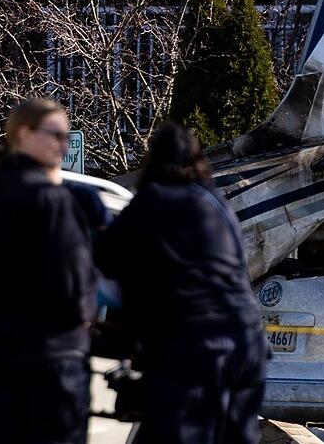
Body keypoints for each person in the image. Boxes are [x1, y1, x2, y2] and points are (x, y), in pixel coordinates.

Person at [96, 122, 267, 444]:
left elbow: (106, 259)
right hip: (248, 343)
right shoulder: (216, 203)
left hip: (195, 346)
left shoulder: (153, 200)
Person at [0, 98, 96, 444]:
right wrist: (84, 318)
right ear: (24, 133)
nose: (63, 144)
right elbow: (74, 279)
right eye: (56, 134)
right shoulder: (51, 199)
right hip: (53, 356)